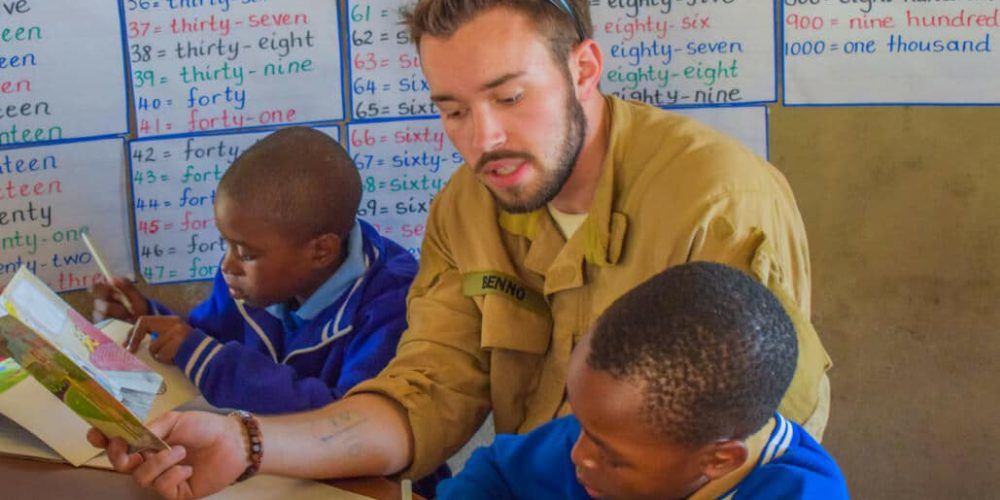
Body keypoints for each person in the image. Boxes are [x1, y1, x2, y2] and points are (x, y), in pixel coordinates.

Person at [90, 1, 830, 497]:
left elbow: (740, 441)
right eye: (452, 110)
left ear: (583, 68)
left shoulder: (721, 202)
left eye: (509, 99)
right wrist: (246, 442)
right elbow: (425, 393)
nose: (484, 141)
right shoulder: (465, 204)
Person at [437, 262, 848, 499]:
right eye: (581, 423)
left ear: (718, 460)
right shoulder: (610, 431)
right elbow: (498, 473)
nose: (579, 454)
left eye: (612, 456)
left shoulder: (798, 492)